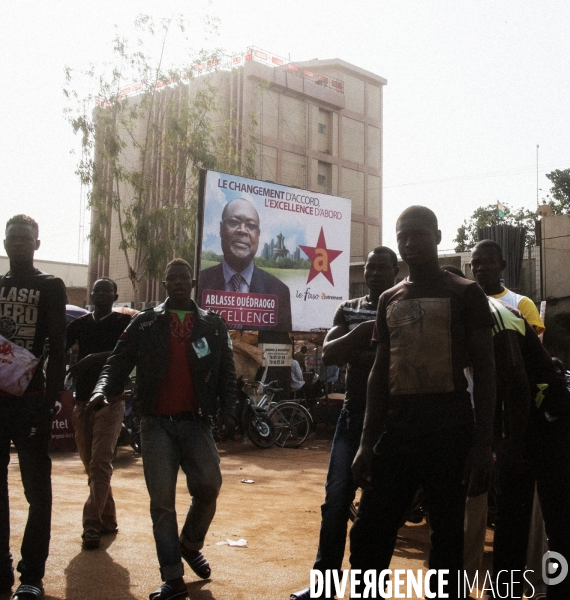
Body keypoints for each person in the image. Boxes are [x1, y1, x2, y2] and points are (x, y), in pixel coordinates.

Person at [350, 206, 496, 599]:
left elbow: (485, 372)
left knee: (447, 540)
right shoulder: (389, 298)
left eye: (418, 234)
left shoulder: (466, 293)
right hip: (398, 433)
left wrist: (483, 445)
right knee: (368, 533)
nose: (410, 243)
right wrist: (366, 442)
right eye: (403, 236)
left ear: (437, 236)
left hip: (451, 432)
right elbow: (380, 375)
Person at [88, 259, 237, 600]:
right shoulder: (145, 322)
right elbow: (117, 361)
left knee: (209, 486)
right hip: (154, 425)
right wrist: (102, 389)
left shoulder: (213, 325)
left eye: (184, 278)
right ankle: (172, 576)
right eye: (172, 278)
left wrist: (229, 410)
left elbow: (227, 372)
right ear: (165, 283)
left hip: (196, 422)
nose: (178, 283)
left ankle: (190, 543)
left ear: (193, 282)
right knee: (162, 504)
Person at [289, 246, 399, 600]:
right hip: (352, 418)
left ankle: (370, 589)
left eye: (384, 267)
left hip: (393, 423)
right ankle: (325, 586)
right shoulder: (349, 309)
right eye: (371, 267)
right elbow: (330, 352)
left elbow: (398, 358)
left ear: (396, 271)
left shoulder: (404, 305)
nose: (376, 273)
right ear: (364, 271)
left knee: (378, 511)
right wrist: (366, 330)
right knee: (335, 502)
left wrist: (360, 350)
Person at [0, 215, 66, 600]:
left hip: (29, 403)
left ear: (36, 244)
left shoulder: (51, 286)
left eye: (26, 239)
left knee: (36, 492)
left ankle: (32, 576)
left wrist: (50, 400)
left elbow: (58, 350)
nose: (19, 244)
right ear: (5, 243)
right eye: (13, 238)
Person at [469, 253, 570, 600]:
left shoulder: (498, 316)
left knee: (557, 523)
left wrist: (506, 444)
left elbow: (518, 388)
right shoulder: (470, 319)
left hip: (549, 424)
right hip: (521, 421)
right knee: (512, 519)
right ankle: (505, 593)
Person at [65, 278, 132, 550]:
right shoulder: (78, 325)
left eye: (107, 290)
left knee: (100, 462)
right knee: (91, 464)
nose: (102, 294)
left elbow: (128, 354)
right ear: (91, 295)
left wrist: (92, 358)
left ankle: (90, 525)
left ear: (116, 296)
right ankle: (108, 518)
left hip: (111, 402)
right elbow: (57, 348)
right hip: (81, 403)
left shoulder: (123, 323)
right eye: (97, 291)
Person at [198, 198, 293, 331]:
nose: (242, 230)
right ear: (221, 229)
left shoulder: (279, 292)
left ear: (258, 235)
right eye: (234, 222)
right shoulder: (199, 284)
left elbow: (280, 346)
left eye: (250, 225)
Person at [471, 239, 545, 333]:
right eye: (476, 263)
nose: (481, 268)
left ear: (502, 265)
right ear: (470, 267)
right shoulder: (466, 303)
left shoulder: (521, 304)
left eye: (489, 262)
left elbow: (531, 346)